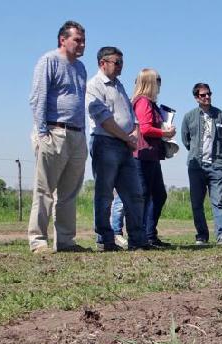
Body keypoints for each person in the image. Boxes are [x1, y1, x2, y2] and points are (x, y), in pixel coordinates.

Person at [27, 20, 89, 253]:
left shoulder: (81, 68)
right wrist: (42, 133)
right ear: (62, 40)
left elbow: (80, 103)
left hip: (77, 135)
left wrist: (83, 135)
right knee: (44, 190)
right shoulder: (49, 61)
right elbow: (37, 98)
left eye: (83, 40)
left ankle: (65, 240)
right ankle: (38, 240)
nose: (82, 44)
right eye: (77, 40)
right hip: (54, 131)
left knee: (69, 192)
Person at [85, 46, 147, 251]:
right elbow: (104, 119)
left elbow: (132, 115)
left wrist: (135, 133)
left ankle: (138, 240)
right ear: (103, 63)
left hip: (125, 146)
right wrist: (127, 137)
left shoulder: (119, 85)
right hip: (106, 144)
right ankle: (105, 239)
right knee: (104, 195)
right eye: (116, 62)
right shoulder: (95, 86)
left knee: (135, 194)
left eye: (122, 62)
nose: (121, 67)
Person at [180, 83, 222, 246]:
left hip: (217, 164)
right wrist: (196, 152)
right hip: (196, 166)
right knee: (197, 202)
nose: (207, 97)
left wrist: (216, 152)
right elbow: (185, 139)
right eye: (203, 95)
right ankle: (202, 235)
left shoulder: (221, 115)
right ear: (196, 98)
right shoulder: (189, 116)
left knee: (218, 201)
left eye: (209, 94)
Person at [131, 68, 176, 248]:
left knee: (157, 195)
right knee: (146, 196)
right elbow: (145, 128)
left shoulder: (150, 102)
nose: (159, 83)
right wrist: (164, 132)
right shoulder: (143, 102)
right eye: (157, 80)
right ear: (149, 81)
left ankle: (149, 235)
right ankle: (142, 237)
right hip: (143, 154)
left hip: (152, 154)